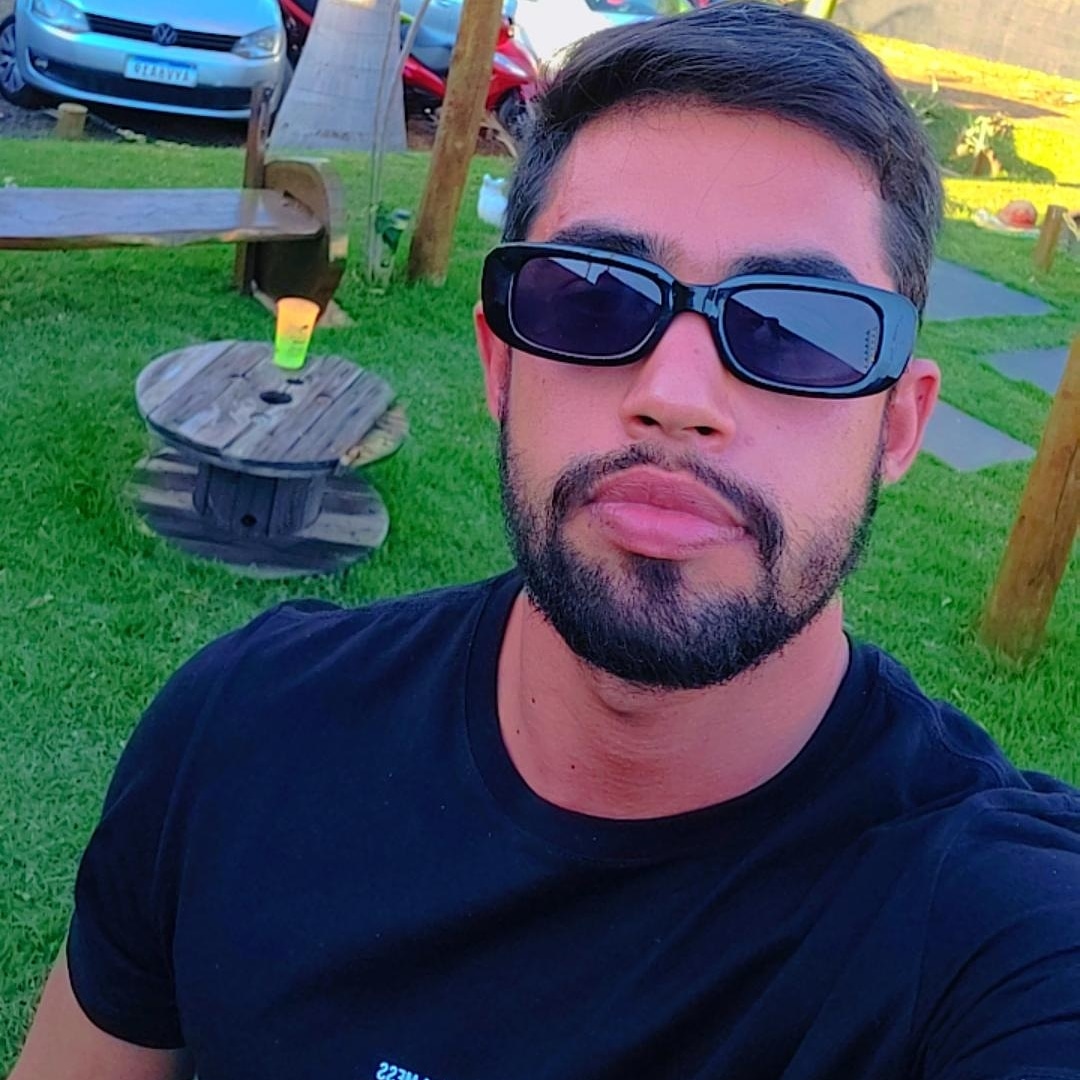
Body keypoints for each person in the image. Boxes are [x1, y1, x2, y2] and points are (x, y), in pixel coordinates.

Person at [13, 4, 1080, 1078]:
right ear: (501, 365)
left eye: (795, 325)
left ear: (896, 425)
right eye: (593, 298)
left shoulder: (999, 936)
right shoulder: (244, 732)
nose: (675, 395)